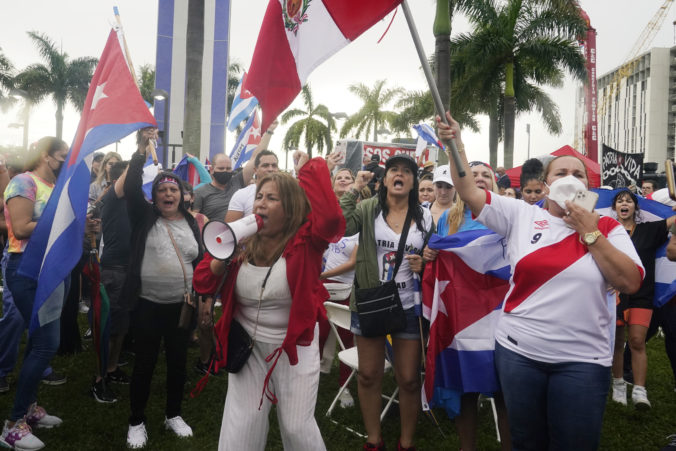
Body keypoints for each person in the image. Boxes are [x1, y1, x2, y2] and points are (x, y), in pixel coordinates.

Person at [437, 111, 644, 451]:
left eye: (578, 174)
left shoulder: (607, 228)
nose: (570, 177)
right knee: (526, 441)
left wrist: (588, 231)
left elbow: (630, 281)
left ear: (587, 187)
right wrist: (454, 145)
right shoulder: (522, 214)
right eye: (561, 172)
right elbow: (470, 192)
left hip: (584, 359)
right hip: (519, 353)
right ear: (547, 184)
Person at [193, 151, 344, 450]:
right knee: (242, 426)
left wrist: (308, 172)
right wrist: (224, 256)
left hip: (294, 348)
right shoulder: (243, 240)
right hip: (248, 346)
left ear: (289, 207)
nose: (261, 203)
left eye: (272, 198)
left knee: (297, 427)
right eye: (259, 196)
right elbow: (202, 280)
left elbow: (330, 220)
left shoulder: (306, 241)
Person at [341, 153, 434, 451]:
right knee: (369, 374)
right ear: (385, 179)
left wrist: (424, 263)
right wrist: (355, 188)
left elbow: (434, 257)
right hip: (370, 302)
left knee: (408, 378)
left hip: (408, 305)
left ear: (413, 181)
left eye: (407, 171)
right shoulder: (369, 209)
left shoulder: (425, 216)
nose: (400, 174)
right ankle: (374, 440)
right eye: (394, 169)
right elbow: (341, 226)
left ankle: (406, 443)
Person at [423, 159, 511, 451]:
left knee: (504, 389)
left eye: (486, 174)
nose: (480, 178)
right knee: (465, 386)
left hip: (502, 314)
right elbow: (440, 262)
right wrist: (431, 256)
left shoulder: (511, 216)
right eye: (473, 175)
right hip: (462, 317)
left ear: (494, 183)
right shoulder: (448, 219)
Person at [0, 137, 81, 451]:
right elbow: (19, 228)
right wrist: (60, 222)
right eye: (61, 158)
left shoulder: (52, 187)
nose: (63, 164)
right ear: (45, 156)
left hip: (51, 269)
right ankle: (13, 424)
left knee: (38, 340)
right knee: (46, 344)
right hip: (27, 269)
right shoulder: (23, 182)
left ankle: (29, 409)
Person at [123, 128, 202, 449]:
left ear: (183, 195)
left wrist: (202, 296)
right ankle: (136, 421)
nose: (168, 194)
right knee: (144, 363)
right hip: (148, 306)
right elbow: (129, 187)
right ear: (154, 197)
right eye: (162, 190)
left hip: (182, 306)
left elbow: (199, 260)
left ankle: (173, 413)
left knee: (178, 362)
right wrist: (142, 150)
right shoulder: (144, 217)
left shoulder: (192, 222)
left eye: (174, 189)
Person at [610, 189, 676, 408]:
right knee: (618, 343)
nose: (624, 203)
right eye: (620, 201)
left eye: (629, 200)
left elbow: (672, 221)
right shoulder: (607, 232)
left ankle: (639, 390)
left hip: (642, 295)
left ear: (636, 208)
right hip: (616, 295)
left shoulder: (650, 230)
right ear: (615, 208)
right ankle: (618, 384)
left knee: (637, 341)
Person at [90, 160, 132, 404]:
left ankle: (112, 369)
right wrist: (142, 146)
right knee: (106, 328)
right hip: (113, 270)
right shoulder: (114, 198)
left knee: (121, 328)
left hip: (129, 271)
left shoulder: (132, 201)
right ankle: (98, 379)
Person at [193, 121, 276, 221]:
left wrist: (269, 131)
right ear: (211, 169)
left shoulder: (238, 182)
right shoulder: (200, 192)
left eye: (228, 169)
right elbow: (195, 219)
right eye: (221, 168)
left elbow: (255, 158)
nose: (225, 171)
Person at [225, 150, 280, 223]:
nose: (270, 169)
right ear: (255, 170)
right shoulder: (241, 195)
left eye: (274, 165)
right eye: (265, 165)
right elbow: (230, 229)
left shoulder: (288, 193)